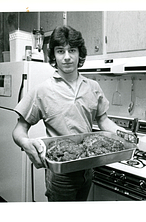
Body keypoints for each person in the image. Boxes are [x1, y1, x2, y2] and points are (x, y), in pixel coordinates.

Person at [12, 25, 126, 201]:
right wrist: (25, 143)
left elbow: (103, 121)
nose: (66, 57)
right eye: (60, 51)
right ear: (53, 56)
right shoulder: (42, 91)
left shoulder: (93, 87)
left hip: (88, 168)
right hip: (60, 176)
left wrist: (122, 134)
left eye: (72, 50)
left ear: (79, 54)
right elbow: (19, 130)